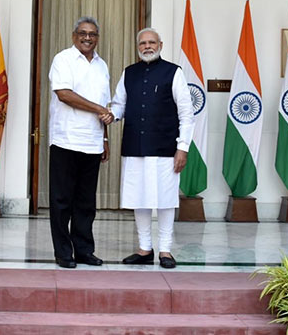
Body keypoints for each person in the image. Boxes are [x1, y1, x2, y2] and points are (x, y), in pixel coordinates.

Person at [110, 28, 194, 269]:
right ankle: (145, 248)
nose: (147, 46)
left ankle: (165, 250)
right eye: (143, 43)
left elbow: (186, 114)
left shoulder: (173, 72)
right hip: (135, 146)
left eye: (151, 42)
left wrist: (183, 148)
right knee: (140, 198)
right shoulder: (129, 73)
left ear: (160, 44)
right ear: (138, 46)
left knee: (166, 200)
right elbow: (119, 105)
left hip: (166, 148)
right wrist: (108, 115)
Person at [48, 16, 114, 269]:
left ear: (98, 38)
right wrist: (98, 108)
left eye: (93, 34)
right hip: (66, 139)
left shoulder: (101, 65)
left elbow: (105, 107)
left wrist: (105, 138)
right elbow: (64, 94)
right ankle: (63, 252)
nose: (88, 38)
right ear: (74, 35)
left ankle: (85, 250)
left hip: (92, 142)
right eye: (83, 33)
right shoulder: (63, 59)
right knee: (62, 200)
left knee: (86, 202)